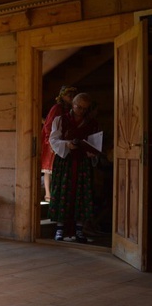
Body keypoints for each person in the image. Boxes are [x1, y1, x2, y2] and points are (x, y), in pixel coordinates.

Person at [48, 92, 100, 243]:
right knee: (63, 192)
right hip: (65, 162)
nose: (81, 111)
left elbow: (95, 143)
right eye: (79, 107)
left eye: (85, 108)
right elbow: (53, 140)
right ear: (73, 104)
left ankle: (79, 230)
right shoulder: (60, 120)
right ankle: (60, 229)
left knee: (82, 194)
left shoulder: (91, 123)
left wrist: (92, 153)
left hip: (83, 163)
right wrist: (67, 144)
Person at [41, 85, 77, 202]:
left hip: (63, 141)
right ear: (62, 96)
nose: (71, 97)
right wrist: (49, 142)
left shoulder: (70, 109)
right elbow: (48, 125)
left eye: (73, 95)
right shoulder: (57, 108)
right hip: (52, 141)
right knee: (49, 169)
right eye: (68, 95)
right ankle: (48, 194)